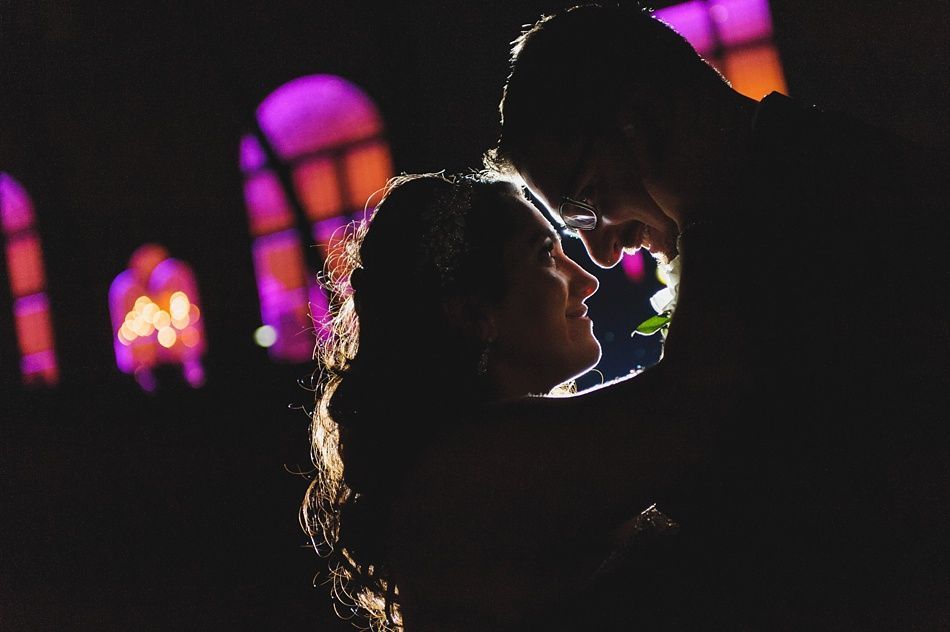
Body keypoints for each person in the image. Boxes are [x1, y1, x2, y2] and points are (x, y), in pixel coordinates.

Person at [484, 2, 950, 629]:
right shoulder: (757, 202)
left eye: (589, 200)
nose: (600, 252)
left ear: (643, 121)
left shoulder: (843, 201)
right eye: (573, 226)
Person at [301, 172, 740, 631]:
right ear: (475, 313)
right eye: (545, 255)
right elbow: (691, 400)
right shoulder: (470, 468)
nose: (587, 280)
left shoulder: (480, 452)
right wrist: (699, 199)